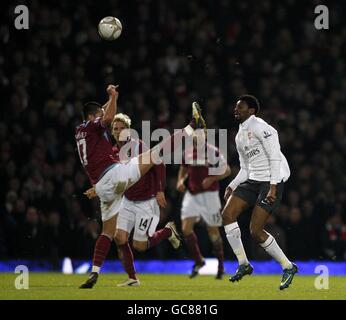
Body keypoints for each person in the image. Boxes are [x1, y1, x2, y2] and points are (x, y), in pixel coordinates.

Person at [75, 84, 205, 287]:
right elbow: (106, 117)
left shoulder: (82, 131)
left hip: (109, 188)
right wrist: (113, 95)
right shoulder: (97, 129)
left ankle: (94, 272)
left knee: (110, 234)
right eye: (101, 116)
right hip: (114, 179)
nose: (112, 128)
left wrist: (158, 189)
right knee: (157, 151)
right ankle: (191, 126)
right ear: (94, 117)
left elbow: (103, 115)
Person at [222, 94, 297, 290]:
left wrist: (272, 186)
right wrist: (232, 185)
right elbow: (245, 168)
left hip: (271, 181)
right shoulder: (239, 136)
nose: (236, 110)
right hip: (253, 180)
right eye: (236, 107)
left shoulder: (261, 127)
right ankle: (244, 264)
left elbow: (274, 156)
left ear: (252, 111)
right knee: (227, 215)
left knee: (255, 231)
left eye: (240, 107)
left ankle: (288, 267)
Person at [176, 130, 231, 279]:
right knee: (186, 229)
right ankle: (199, 260)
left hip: (210, 195)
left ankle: (220, 266)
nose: (197, 137)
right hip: (192, 194)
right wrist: (180, 181)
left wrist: (213, 178)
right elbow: (183, 168)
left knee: (212, 231)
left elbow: (227, 170)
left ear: (205, 136)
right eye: (194, 135)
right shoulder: (187, 153)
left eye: (200, 135)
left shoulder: (213, 151)